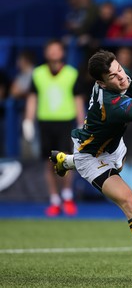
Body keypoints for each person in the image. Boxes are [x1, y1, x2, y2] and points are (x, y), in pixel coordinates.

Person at [50, 49, 132, 283]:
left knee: (119, 166)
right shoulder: (109, 104)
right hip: (92, 159)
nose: (121, 77)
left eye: (120, 69)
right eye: (113, 76)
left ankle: (65, 160)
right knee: (130, 202)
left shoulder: (124, 77)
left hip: (113, 148)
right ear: (101, 82)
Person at [23, 39, 85, 217]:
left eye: (57, 49)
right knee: (48, 163)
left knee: (66, 161)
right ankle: (54, 200)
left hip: (66, 122)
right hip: (45, 122)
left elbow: (78, 100)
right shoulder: (38, 74)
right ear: (46, 52)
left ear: (62, 52)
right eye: (50, 49)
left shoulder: (71, 74)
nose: (54, 53)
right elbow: (32, 99)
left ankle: (67, 197)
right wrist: (28, 121)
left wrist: (81, 124)